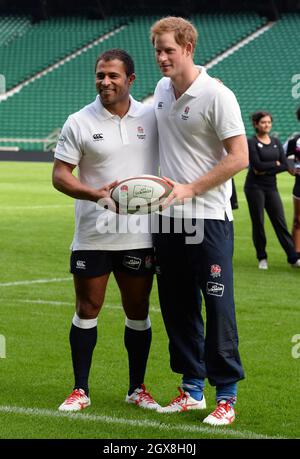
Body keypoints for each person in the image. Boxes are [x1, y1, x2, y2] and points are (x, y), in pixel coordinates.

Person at [150, 16, 248, 426]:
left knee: (217, 302)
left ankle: (225, 394)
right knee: (176, 306)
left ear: (189, 48)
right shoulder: (159, 89)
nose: (161, 57)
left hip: (208, 218)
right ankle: (192, 388)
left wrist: (191, 187)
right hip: (167, 220)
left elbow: (239, 156)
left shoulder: (216, 95)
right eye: (157, 50)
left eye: (169, 49)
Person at [52, 49, 160, 412]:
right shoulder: (79, 121)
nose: (105, 82)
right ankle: (80, 389)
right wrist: (95, 194)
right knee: (88, 307)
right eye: (100, 75)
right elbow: (60, 176)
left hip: (139, 234)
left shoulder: (152, 117)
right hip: (93, 234)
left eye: (113, 76)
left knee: (138, 310)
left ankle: (137, 388)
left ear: (131, 79)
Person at [244, 111, 300, 270]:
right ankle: (262, 257)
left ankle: (293, 257)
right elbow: (257, 166)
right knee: (258, 222)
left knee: (280, 222)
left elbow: (284, 164)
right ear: (256, 124)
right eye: (263, 122)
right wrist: (274, 165)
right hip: (254, 188)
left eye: (268, 122)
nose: (266, 125)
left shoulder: (275, 141)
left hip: (271, 187)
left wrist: (272, 167)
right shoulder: (251, 142)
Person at [284, 107, 300, 254]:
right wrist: (292, 169)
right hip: (299, 185)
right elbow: (286, 158)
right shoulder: (294, 141)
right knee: (298, 220)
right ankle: (296, 255)